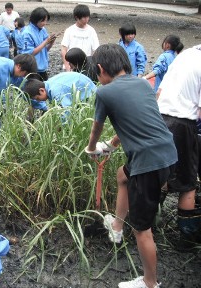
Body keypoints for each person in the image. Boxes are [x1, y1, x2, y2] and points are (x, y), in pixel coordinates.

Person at [85, 44, 177, 288]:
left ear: (101, 69)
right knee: (122, 175)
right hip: (167, 152)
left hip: (148, 162)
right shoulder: (141, 84)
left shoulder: (105, 93)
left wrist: (92, 148)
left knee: (141, 229)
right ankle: (116, 226)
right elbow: (137, 121)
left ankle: (150, 283)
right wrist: (113, 145)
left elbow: (96, 128)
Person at [157, 44, 201, 248]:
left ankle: (148, 224)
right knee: (188, 182)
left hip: (159, 119)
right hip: (183, 124)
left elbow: (160, 91)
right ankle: (186, 239)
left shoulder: (185, 55)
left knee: (159, 174)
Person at [23, 72, 97, 114]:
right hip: (83, 91)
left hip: (90, 95)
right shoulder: (48, 84)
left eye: (37, 98)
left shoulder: (56, 91)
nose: (38, 101)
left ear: (41, 90)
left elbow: (67, 111)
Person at [22, 7, 57, 81]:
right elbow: (29, 53)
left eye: (46, 20)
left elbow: (45, 49)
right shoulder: (27, 33)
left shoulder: (42, 29)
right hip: (32, 69)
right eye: (42, 21)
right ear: (35, 20)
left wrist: (51, 42)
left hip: (42, 68)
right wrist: (45, 42)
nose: (45, 23)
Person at [61, 4, 99, 71]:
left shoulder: (91, 31)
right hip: (71, 65)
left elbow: (96, 50)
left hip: (86, 66)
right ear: (76, 17)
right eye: (84, 17)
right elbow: (64, 49)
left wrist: (92, 65)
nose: (86, 19)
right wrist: (67, 66)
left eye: (87, 17)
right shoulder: (69, 30)